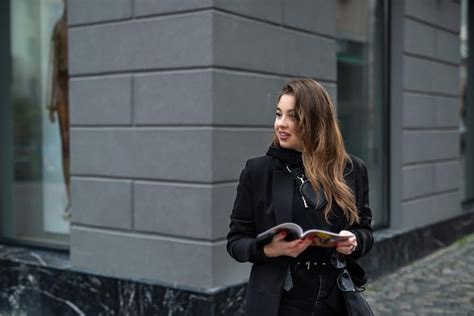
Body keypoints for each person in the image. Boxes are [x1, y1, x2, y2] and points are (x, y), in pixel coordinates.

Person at [226, 78, 373, 316]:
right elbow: (236, 242)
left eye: (292, 116)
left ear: (316, 122)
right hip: (282, 300)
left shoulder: (352, 169)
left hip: (336, 297)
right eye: (278, 114)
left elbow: (365, 231)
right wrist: (268, 250)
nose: (281, 124)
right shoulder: (257, 171)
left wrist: (354, 240)